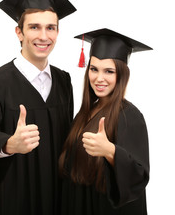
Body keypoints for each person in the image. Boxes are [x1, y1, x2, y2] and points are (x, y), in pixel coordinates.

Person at [0, 0, 76, 215]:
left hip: (58, 199)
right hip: (12, 200)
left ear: (57, 31)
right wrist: (8, 144)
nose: (43, 36)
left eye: (51, 27)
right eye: (34, 27)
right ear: (19, 32)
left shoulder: (64, 81)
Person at [59, 28, 152, 214]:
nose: (99, 78)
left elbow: (138, 176)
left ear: (121, 75)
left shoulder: (129, 116)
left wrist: (111, 151)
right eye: (94, 69)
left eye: (109, 71)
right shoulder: (86, 112)